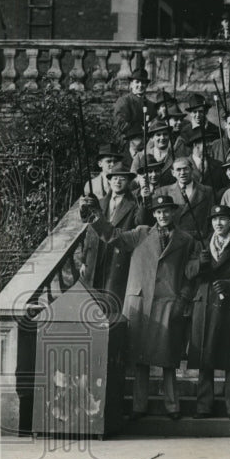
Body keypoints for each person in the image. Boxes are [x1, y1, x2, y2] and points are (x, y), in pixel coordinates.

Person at [80, 193, 200, 420]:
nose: (163, 215)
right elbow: (112, 235)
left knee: (169, 359)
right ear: (153, 213)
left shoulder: (186, 240)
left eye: (167, 211)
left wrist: (182, 298)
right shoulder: (141, 233)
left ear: (174, 213)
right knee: (140, 359)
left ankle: (172, 406)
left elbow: (189, 276)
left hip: (168, 303)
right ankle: (139, 406)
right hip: (140, 303)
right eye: (159, 211)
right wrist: (96, 217)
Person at [189, 205, 230, 419]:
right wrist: (200, 263)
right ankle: (203, 405)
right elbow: (188, 272)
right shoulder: (202, 245)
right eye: (215, 219)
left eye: (223, 219)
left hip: (229, 304)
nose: (219, 223)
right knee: (205, 355)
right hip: (205, 303)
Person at [80, 161, 145, 319]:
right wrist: (84, 260)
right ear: (108, 180)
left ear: (129, 182)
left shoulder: (135, 204)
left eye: (122, 178)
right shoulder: (100, 202)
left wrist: (144, 199)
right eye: (114, 178)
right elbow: (90, 231)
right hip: (96, 257)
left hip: (117, 258)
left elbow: (140, 224)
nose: (118, 181)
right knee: (90, 302)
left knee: (111, 302)